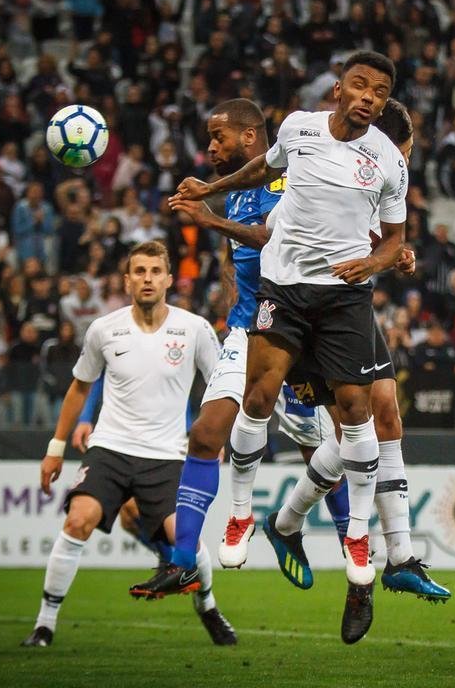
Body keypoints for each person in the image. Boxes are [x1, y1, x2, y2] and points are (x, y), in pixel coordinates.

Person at [141, 52, 408, 644]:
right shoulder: (295, 136)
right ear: (338, 89)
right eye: (359, 85)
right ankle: (207, 541)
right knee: (226, 420)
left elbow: (382, 236)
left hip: (336, 302)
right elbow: (257, 197)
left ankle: (350, 558)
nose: (368, 97)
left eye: (379, 90)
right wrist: (213, 194)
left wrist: (377, 261)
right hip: (274, 305)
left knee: (347, 428)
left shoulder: (383, 159)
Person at [123, 98, 348, 599]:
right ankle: (184, 562)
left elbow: (274, 239)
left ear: (249, 137)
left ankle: (349, 551)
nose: (210, 147)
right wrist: (233, 309)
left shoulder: (289, 178)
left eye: (217, 136)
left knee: (320, 451)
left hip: (296, 333)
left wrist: (210, 220)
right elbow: (235, 259)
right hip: (248, 329)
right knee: (206, 435)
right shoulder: (239, 191)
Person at [259, 99, 451, 602]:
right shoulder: (326, 164)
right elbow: (282, 231)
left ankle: (399, 556)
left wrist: (391, 255)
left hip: (348, 307)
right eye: (404, 150)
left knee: (384, 415)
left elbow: (373, 237)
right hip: (307, 311)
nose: (404, 161)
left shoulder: (374, 178)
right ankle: (290, 523)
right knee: (355, 428)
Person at [20, 241, 234, 648]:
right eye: (139, 271)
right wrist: (55, 447)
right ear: (127, 281)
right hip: (111, 448)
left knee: (185, 539)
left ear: (169, 279)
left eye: (155, 271)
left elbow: (222, 385)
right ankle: (44, 624)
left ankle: (207, 606)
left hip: (168, 454)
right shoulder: (104, 329)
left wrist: (214, 436)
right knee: (78, 520)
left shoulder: (195, 329)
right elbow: (80, 388)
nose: (147, 278)